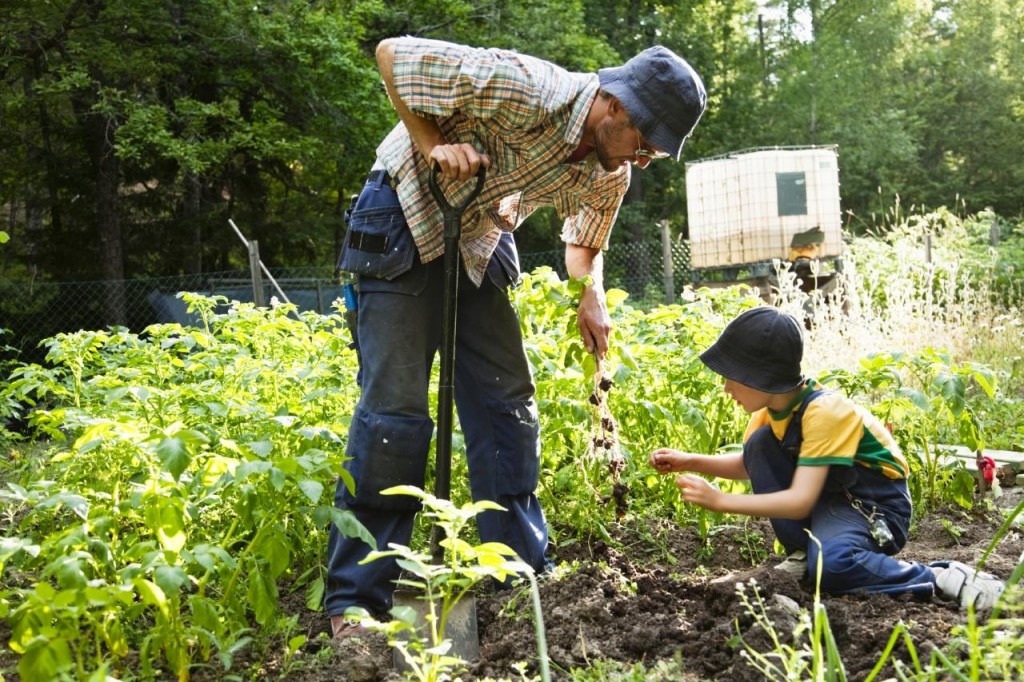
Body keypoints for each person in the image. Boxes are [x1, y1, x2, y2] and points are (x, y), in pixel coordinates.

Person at [326, 37, 707, 637]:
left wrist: (591, 295)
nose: (643, 158)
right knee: (394, 415)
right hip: (403, 210)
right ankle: (357, 598)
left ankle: (520, 572)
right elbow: (391, 55)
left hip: (477, 230)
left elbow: (584, 244)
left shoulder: (609, 173)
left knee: (508, 406)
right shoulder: (528, 86)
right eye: (644, 141)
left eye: (656, 152)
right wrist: (434, 146)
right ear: (615, 106)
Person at [649, 306, 1006, 610]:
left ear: (760, 377)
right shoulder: (770, 411)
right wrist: (689, 460)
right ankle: (806, 555)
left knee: (834, 568)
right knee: (758, 445)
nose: (726, 388)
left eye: (732, 378)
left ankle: (939, 576)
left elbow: (800, 498)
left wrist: (721, 501)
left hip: (873, 505)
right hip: (830, 501)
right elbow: (749, 465)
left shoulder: (824, 411)